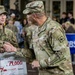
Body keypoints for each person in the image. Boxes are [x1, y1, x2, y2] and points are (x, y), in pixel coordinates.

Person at [2, 1, 74, 75]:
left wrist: (41, 63)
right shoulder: (36, 30)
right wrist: (14, 49)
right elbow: (33, 53)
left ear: (34, 15)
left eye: (28, 14)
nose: (26, 17)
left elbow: (62, 54)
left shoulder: (54, 29)